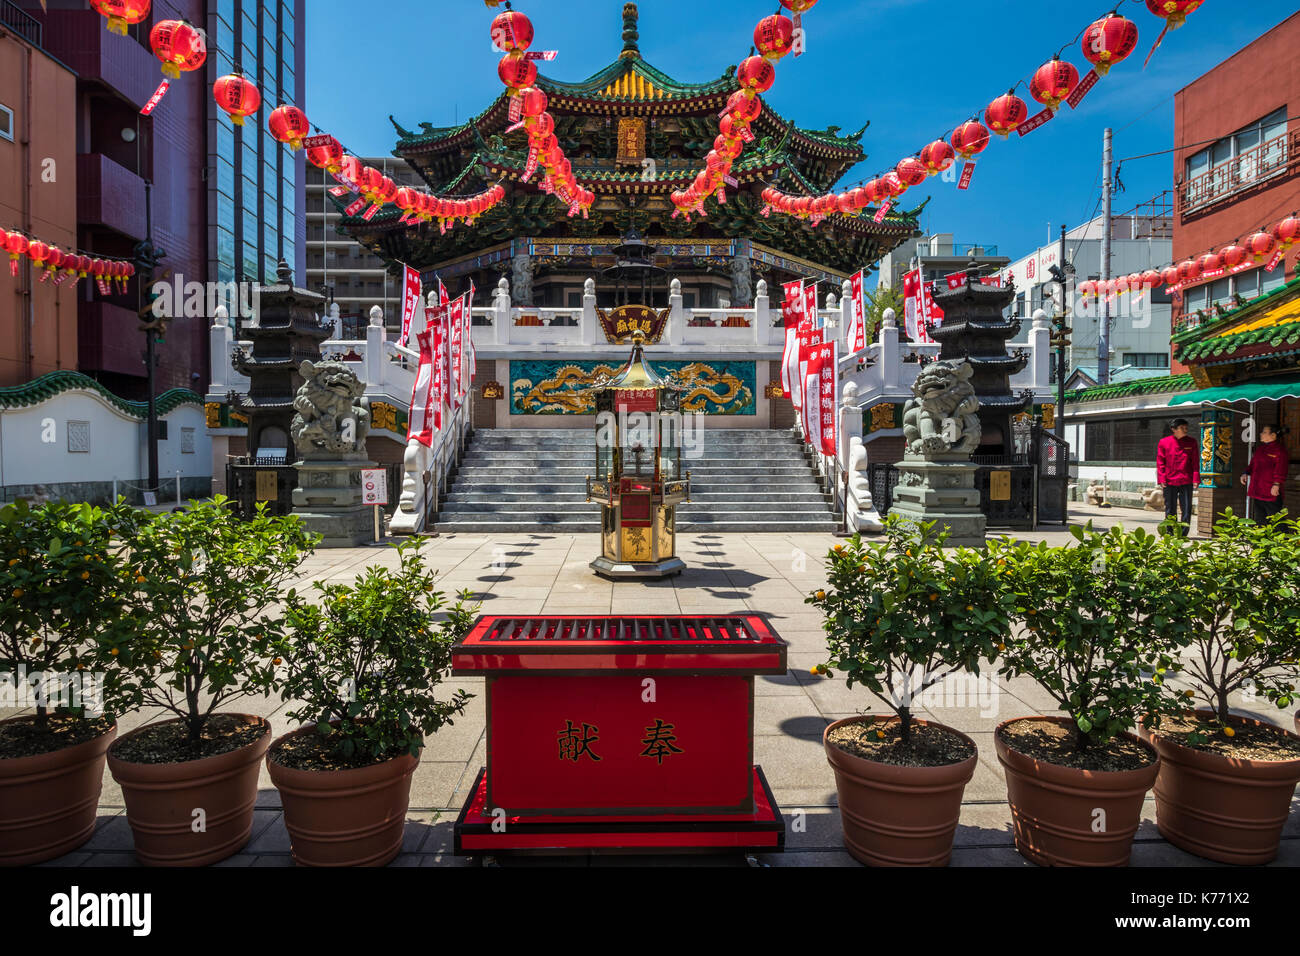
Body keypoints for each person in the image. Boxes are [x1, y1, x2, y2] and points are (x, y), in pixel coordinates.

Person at [1156, 419, 1200, 530]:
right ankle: (1170, 532)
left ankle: (1184, 532)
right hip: (1169, 480)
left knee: (1186, 508)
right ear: (1173, 429)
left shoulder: (1192, 442)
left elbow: (1195, 461)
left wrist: (1196, 479)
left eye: (1186, 428)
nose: (1186, 430)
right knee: (1170, 508)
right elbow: (1160, 462)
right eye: (1182, 428)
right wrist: (1162, 479)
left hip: (1186, 480)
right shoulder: (1164, 442)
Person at [1242, 424, 1291, 521]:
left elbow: (1281, 469)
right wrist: (1246, 473)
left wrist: (1276, 484)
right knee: (1260, 519)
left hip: (1271, 491)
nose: (1261, 434)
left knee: (1276, 520)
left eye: (1264, 432)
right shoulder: (1261, 449)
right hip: (1258, 489)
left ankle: (1281, 536)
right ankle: (1261, 536)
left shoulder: (1280, 451)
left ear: (1273, 435)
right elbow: (1252, 464)